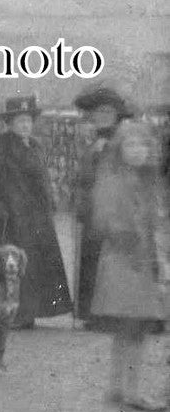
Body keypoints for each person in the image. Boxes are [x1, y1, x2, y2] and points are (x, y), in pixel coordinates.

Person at [89, 120, 169, 411]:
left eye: (143, 145)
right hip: (124, 260)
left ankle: (120, 387)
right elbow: (103, 218)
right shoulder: (113, 178)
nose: (137, 151)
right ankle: (128, 390)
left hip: (143, 261)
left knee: (132, 328)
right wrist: (127, 236)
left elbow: (156, 222)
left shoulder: (149, 182)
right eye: (130, 145)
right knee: (131, 326)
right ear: (119, 149)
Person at [0, 95, 74, 327]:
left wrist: (50, 199)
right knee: (15, 267)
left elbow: (41, 179)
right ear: (10, 124)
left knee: (36, 267)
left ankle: (31, 312)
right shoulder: (1, 145)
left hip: (38, 219)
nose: (25, 125)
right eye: (20, 121)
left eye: (28, 121)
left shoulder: (36, 146)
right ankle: (14, 315)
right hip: (13, 219)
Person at [70, 85, 134, 328]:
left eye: (108, 111)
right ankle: (92, 313)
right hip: (92, 212)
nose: (104, 116)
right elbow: (83, 178)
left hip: (115, 211)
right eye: (99, 112)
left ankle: (113, 314)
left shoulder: (124, 139)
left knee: (112, 262)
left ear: (117, 114)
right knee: (91, 262)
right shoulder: (92, 141)